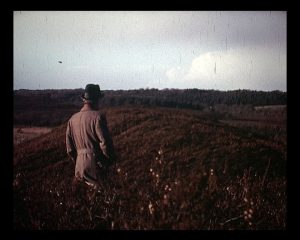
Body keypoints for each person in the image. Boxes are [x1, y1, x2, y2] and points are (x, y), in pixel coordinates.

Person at [66, 84, 115, 188]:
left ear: (84, 99)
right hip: (96, 168)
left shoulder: (72, 120)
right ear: (96, 99)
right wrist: (109, 161)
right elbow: (105, 144)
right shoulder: (98, 117)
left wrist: (79, 160)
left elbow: (70, 149)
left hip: (79, 169)